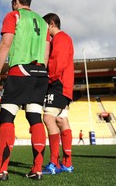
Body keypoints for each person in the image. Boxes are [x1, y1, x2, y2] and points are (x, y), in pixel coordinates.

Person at [0, 0, 50, 181]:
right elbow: (46, 51)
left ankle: (1, 169)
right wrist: (42, 70)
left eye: (12, 2)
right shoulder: (43, 22)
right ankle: (37, 169)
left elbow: (5, 44)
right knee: (35, 118)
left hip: (21, 71)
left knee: (7, 116)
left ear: (16, 1)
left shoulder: (14, 15)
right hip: (40, 73)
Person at [42, 13, 75, 175]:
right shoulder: (66, 38)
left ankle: (54, 163)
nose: (44, 31)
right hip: (65, 85)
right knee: (61, 119)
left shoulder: (60, 39)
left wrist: (48, 78)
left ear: (52, 23)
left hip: (58, 84)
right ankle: (67, 163)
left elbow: (57, 62)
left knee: (48, 118)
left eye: (45, 27)